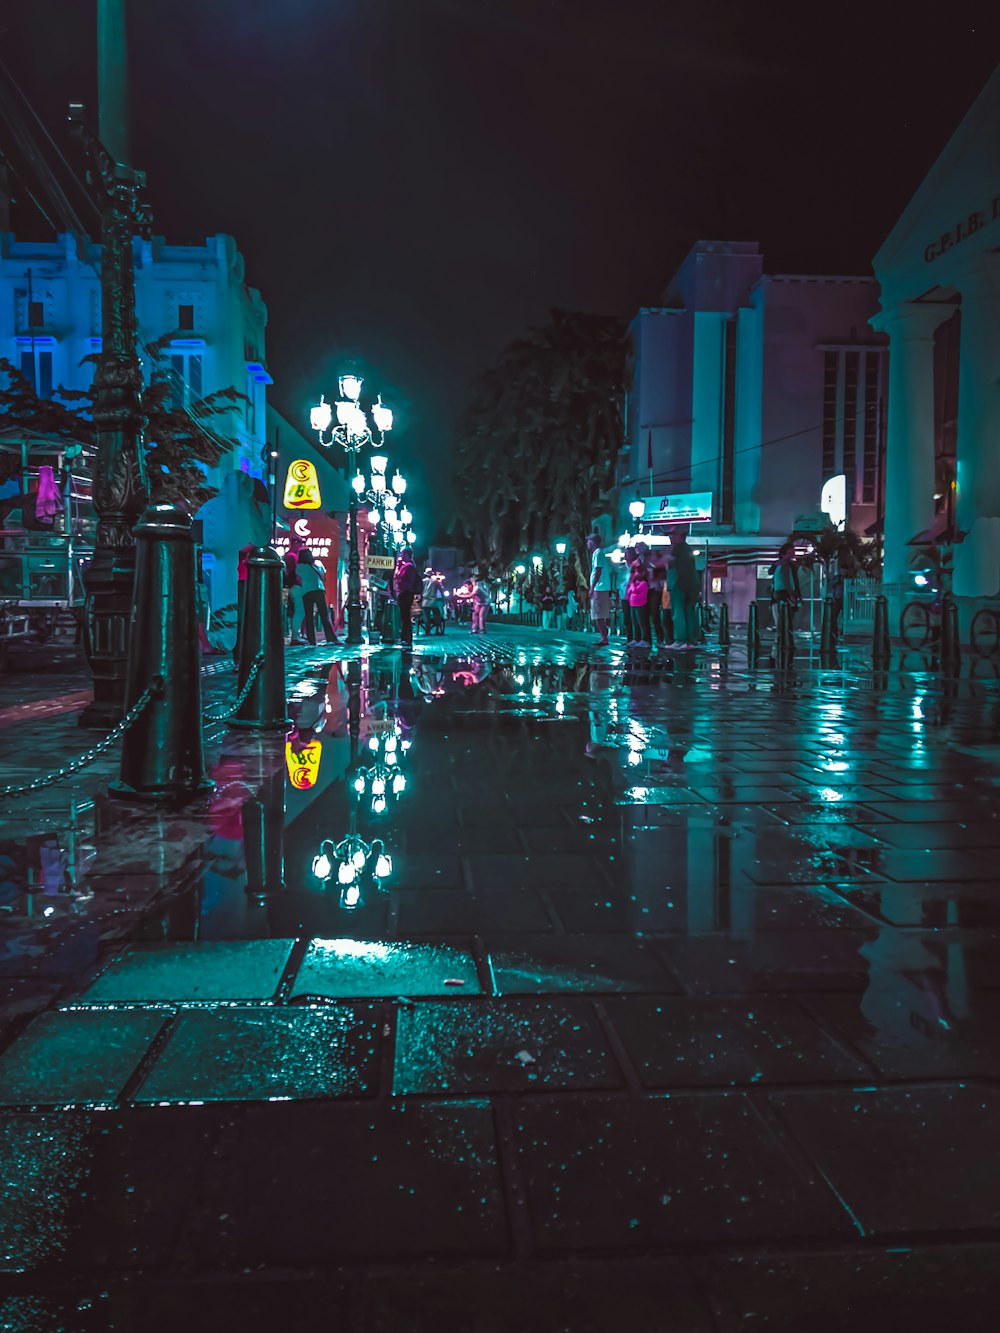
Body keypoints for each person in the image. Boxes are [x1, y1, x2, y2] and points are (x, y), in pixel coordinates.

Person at [297, 549, 339, 646]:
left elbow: (299, 579)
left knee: (309, 617)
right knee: (324, 615)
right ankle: (331, 638)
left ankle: (311, 640)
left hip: (306, 592)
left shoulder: (299, 567)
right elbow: (324, 578)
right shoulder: (318, 563)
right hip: (318, 590)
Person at [667, 530, 702, 645]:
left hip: (679, 585)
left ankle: (680, 640)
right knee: (689, 612)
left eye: (673, 535)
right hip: (691, 585)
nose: (670, 537)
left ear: (680, 536)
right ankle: (691, 640)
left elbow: (672, 565)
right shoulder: (688, 549)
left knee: (678, 613)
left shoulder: (677, 550)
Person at [587, 532, 611, 647]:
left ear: (593, 542)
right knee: (598, 613)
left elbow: (598, 570)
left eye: (589, 541)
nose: (587, 543)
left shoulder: (598, 553)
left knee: (598, 613)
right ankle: (603, 636)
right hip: (600, 587)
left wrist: (592, 587)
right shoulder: (598, 553)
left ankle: (604, 637)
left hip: (599, 588)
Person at [771, 541, 802, 629]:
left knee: (784, 616)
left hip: (781, 591)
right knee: (786, 616)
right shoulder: (784, 565)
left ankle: (782, 635)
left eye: (793, 551)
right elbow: (787, 581)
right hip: (784, 592)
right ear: (783, 554)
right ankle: (783, 635)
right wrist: (792, 593)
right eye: (790, 552)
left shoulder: (786, 564)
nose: (793, 553)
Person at [395, 547, 421, 647]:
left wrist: (398, 567)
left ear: (406, 554)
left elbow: (399, 577)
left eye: (402, 554)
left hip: (406, 593)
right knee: (404, 616)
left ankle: (407, 639)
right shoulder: (407, 566)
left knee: (405, 617)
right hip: (405, 592)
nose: (401, 556)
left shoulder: (408, 566)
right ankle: (404, 638)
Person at [283, 536, 305, 645]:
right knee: (299, 611)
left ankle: (296, 636)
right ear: (295, 543)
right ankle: (295, 637)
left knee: (297, 611)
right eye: (300, 543)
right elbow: (293, 572)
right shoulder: (292, 556)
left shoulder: (290, 556)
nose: (301, 545)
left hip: (293, 585)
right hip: (295, 585)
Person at [626, 554, 651, 647]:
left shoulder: (643, 583)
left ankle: (645, 639)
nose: (636, 574)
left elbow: (635, 590)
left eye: (638, 571)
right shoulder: (635, 582)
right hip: (633, 604)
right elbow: (630, 591)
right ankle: (636, 638)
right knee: (635, 621)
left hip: (640, 604)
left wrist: (632, 586)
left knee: (642, 622)